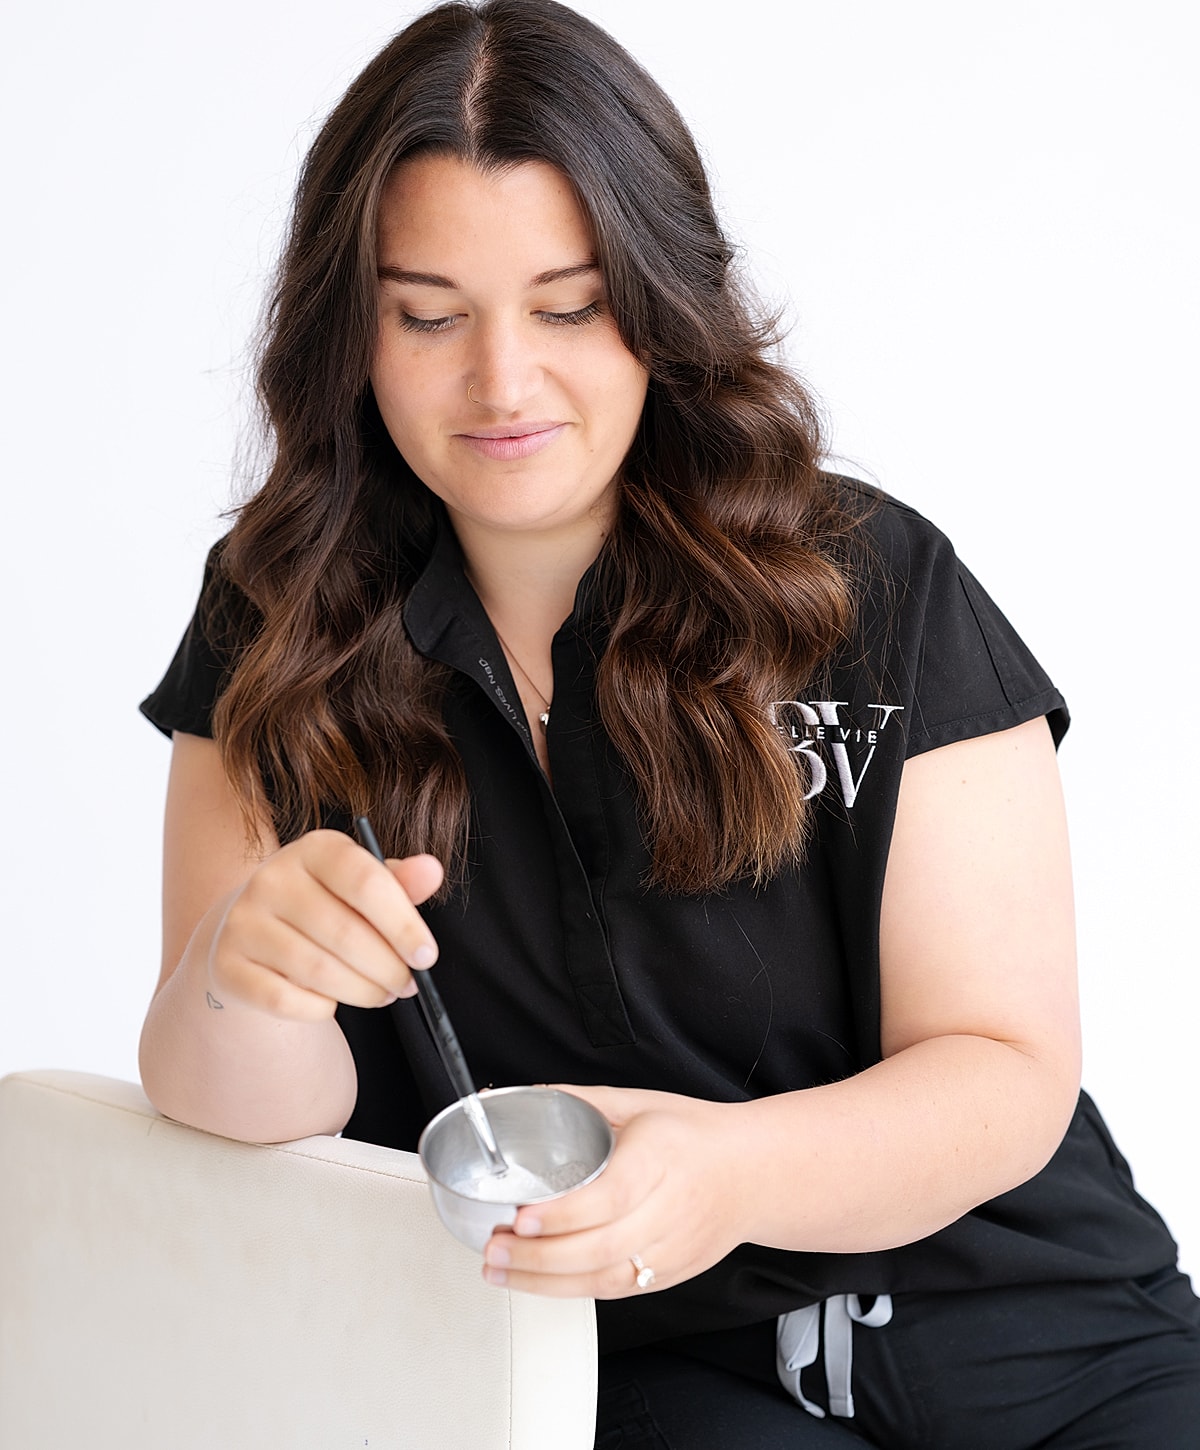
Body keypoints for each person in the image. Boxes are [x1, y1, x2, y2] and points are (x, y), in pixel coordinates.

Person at [137, 2, 1200, 1444]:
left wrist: (733, 1171)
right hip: (649, 1374)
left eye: (568, 305)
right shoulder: (276, 621)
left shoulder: (871, 583)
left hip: (1034, 1331)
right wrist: (242, 978)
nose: (502, 382)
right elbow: (241, 1113)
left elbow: (1005, 1065)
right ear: (352, 330)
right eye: (430, 315)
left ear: (661, 296)